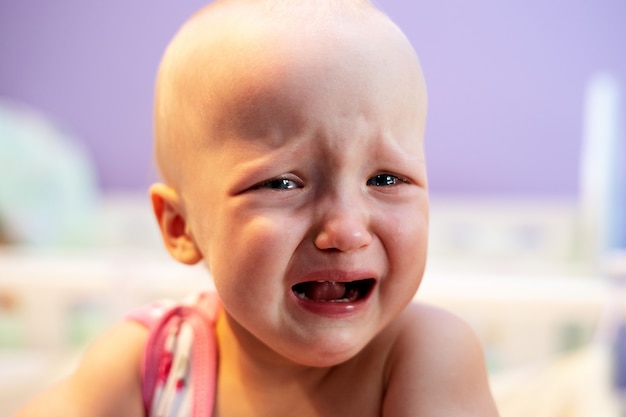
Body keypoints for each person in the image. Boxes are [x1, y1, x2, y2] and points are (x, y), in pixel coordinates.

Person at [15, 0, 499, 415]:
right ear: (181, 227)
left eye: (386, 178)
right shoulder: (151, 363)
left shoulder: (426, 355)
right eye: (283, 183)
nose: (347, 230)